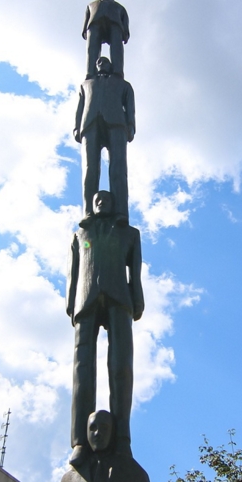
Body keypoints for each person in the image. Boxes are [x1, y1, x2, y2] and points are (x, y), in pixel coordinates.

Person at [66, 191, 143, 462]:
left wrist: (137, 298)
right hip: (85, 300)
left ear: (114, 205)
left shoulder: (129, 234)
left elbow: (135, 270)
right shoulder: (79, 235)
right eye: (96, 200)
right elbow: (73, 269)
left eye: (106, 200)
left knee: (121, 367)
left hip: (119, 298)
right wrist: (70, 301)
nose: (100, 203)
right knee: (81, 369)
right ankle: (79, 441)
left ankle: (122, 438)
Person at [74, 56, 135, 222]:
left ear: (111, 66)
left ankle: (121, 212)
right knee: (89, 170)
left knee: (118, 168)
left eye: (105, 62)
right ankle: (88, 212)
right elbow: (80, 107)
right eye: (99, 62)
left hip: (116, 123)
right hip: (90, 123)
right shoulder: (85, 85)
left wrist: (131, 125)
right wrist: (76, 126)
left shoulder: (124, 85)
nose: (102, 64)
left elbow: (130, 106)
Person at [82, 0, 129, 78]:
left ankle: (117, 72)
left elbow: (125, 19)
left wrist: (126, 32)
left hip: (115, 25)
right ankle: (90, 72)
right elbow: (87, 17)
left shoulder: (119, 7)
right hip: (95, 24)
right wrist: (84, 30)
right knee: (92, 49)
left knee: (117, 48)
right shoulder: (92, 5)